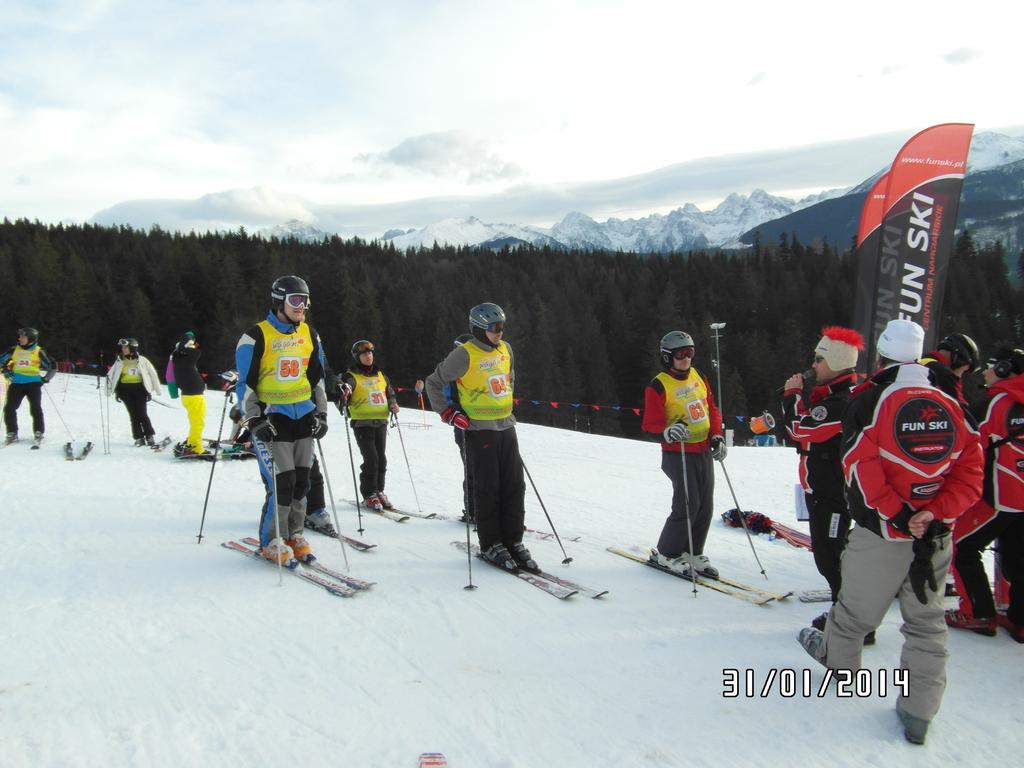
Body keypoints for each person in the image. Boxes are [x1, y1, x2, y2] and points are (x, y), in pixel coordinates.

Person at [799, 318, 983, 745]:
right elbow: (971, 470)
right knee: (926, 623)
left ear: (880, 355)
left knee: (852, 613)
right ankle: (920, 712)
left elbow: (860, 469)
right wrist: (935, 512)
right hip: (934, 535)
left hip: (882, 532)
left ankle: (839, 673)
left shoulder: (871, 400)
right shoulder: (950, 401)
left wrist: (900, 516)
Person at [425, 302, 538, 573]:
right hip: (479, 429)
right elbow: (434, 383)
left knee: (514, 486)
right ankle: (491, 543)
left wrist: (508, 403)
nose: (499, 333)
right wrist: (449, 414)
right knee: (489, 488)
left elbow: (509, 378)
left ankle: (513, 540)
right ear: (478, 328)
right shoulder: (464, 354)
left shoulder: (506, 349)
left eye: (502, 327)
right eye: (494, 328)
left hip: (506, 426)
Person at [235, 275, 329, 565]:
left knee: (302, 481)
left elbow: (318, 377)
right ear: (279, 302)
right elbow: (245, 384)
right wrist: (254, 420)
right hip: (273, 418)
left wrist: (322, 413)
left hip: (302, 415)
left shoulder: (310, 335)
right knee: (282, 481)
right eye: (296, 300)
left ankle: (294, 533)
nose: (302, 306)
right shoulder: (256, 336)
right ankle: (272, 540)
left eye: (306, 300)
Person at [782, 327, 867, 638]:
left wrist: (790, 395)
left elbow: (798, 429)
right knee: (830, 553)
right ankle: (847, 615)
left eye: (819, 360)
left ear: (836, 363)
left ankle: (852, 622)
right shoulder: (833, 397)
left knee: (831, 556)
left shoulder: (840, 402)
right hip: (825, 488)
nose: (813, 365)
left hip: (833, 493)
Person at [946, 347, 1024, 641]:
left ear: (1005, 369)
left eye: (991, 367)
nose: (986, 374)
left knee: (963, 547)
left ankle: (977, 613)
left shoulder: (995, 404)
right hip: (1017, 499)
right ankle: (1019, 620)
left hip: (1000, 497)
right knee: (1019, 558)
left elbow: (964, 440)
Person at [643, 330, 726, 578]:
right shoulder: (658, 385)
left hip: (702, 449)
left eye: (690, 353)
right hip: (678, 453)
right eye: (680, 354)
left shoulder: (699, 376)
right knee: (688, 504)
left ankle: (692, 550)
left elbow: (711, 409)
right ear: (668, 357)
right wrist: (667, 431)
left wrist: (717, 435)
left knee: (705, 504)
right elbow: (650, 424)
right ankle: (668, 552)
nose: (686, 359)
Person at [337, 340, 400, 512]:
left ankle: (379, 490)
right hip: (362, 423)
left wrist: (393, 404)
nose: (368, 356)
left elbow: (390, 393)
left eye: (370, 353)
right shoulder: (351, 376)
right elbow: (344, 392)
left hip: (381, 422)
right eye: (364, 354)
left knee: (381, 459)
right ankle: (368, 494)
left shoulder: (380, 375)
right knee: (371, 459)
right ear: (358, 357)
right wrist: (343, 396)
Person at [2, 327, 56, 445]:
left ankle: (38, 432)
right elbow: (1, 362)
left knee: (35, 408)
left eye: (23, 336)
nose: (20, 338)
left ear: (30, 338)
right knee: (9, 408)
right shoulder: (13, 350)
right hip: (16, 383)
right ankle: (12, 433)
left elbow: (52, 365)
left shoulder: (38, 351)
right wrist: (7, 373)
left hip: (33, 384)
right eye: (20, 336)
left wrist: (46, 378)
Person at [106, 337, 161, 446]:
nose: (123, 349)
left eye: (126, 347)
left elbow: (152, 374)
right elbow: (112, 375)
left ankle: (149, 436)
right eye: (122, 347)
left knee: (142, 414)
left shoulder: (142, 360)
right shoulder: (120, 361)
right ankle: (138, 438)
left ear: (132, 348)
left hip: (140, 390)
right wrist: (115, 391)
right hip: (125, 391)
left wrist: (154, 389)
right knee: (133, 415)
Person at [167, 331, 207, 457]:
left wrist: (183, 347)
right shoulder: (186, 357)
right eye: (191, 345)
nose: (193, 347)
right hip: (193, 396)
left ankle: (191, 442)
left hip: (191, 395)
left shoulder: (178, 358)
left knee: (196, 421)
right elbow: (197, 353)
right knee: (198, 423)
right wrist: (188, 345)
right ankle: (196, 447)